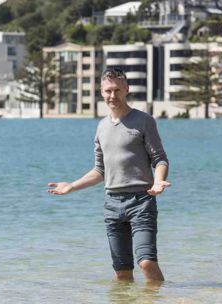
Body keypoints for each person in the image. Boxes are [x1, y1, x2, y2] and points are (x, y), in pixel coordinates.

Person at [47, 68, 170, 283]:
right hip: (112, 204)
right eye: (108, 91)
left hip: (141, 200)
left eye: (117, 90)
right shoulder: (101, 127)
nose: (112, 96)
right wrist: (71, 186)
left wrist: (159, 180)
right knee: (122, 273)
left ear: (126, 90)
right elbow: (99, 171)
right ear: (101, 92)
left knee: (146, 262)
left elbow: (160, 159)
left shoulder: (143, 121)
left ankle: (161, 298)